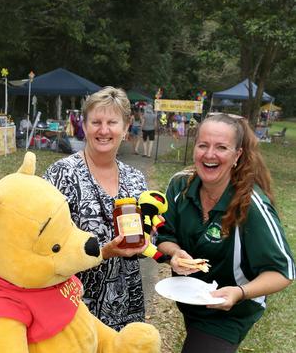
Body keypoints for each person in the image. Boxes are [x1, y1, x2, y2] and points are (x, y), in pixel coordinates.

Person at [157, 113, 294, 353]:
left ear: (237, 155)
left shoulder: (250, 205)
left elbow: (283, 272)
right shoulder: (180, 185)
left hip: (231, 313)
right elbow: (164, 236)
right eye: (203, 145)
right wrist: (175, 253)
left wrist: (240, 293)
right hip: (191, 302)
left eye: (221, 147)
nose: (210, 154)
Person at [42, 86, 149, 331]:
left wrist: (148, 243)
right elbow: (42, 245)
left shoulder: (135, 179)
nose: (103, 130)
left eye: (112, 122)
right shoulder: (61, 174)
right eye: (96, 122)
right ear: (85, 125)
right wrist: (104, 252)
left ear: (125, 126)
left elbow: (144, 235)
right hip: (73, 306)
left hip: (125, 305)